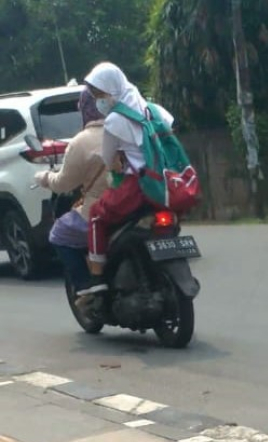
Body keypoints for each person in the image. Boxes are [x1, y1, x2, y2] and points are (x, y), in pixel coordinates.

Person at [78, 62, 174, 297]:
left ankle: (97, 276)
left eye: (100, 94)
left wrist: (121, 161)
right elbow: (170, 130)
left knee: (96, 215)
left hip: (139, 186)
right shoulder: (152, 108)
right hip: (168, 182)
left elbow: (108, 160)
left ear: (112, 89)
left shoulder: (115, 120)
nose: (99, 100)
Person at [35, 87, 107, 293]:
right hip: (139, 200)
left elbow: (64, 184)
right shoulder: (128, 129)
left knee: (58, 233)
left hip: (102, 209)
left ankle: (85, 285)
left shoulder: (81, 141)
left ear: (84, 110)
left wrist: (45, 178)